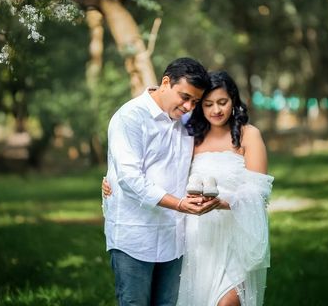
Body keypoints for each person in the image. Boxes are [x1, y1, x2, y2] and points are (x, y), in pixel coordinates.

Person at [104, 70, 273, 306]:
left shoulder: (249, 135)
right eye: (207, 104)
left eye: (223, 102)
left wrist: (224, 202)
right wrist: (112, 180)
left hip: (233, 234)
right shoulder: (191, 136)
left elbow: (260, 190)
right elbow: (159, 170)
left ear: (234, 101)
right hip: (195, 236)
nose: (216, 110)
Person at [103, 57, 219, 306]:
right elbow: (130, 178)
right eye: (184, 97)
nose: (189, 107)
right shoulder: (130, 118)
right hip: (134, 237)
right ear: (165, 82)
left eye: (195, 101)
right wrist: (179, 204)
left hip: (173, 239)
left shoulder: (185, 123)